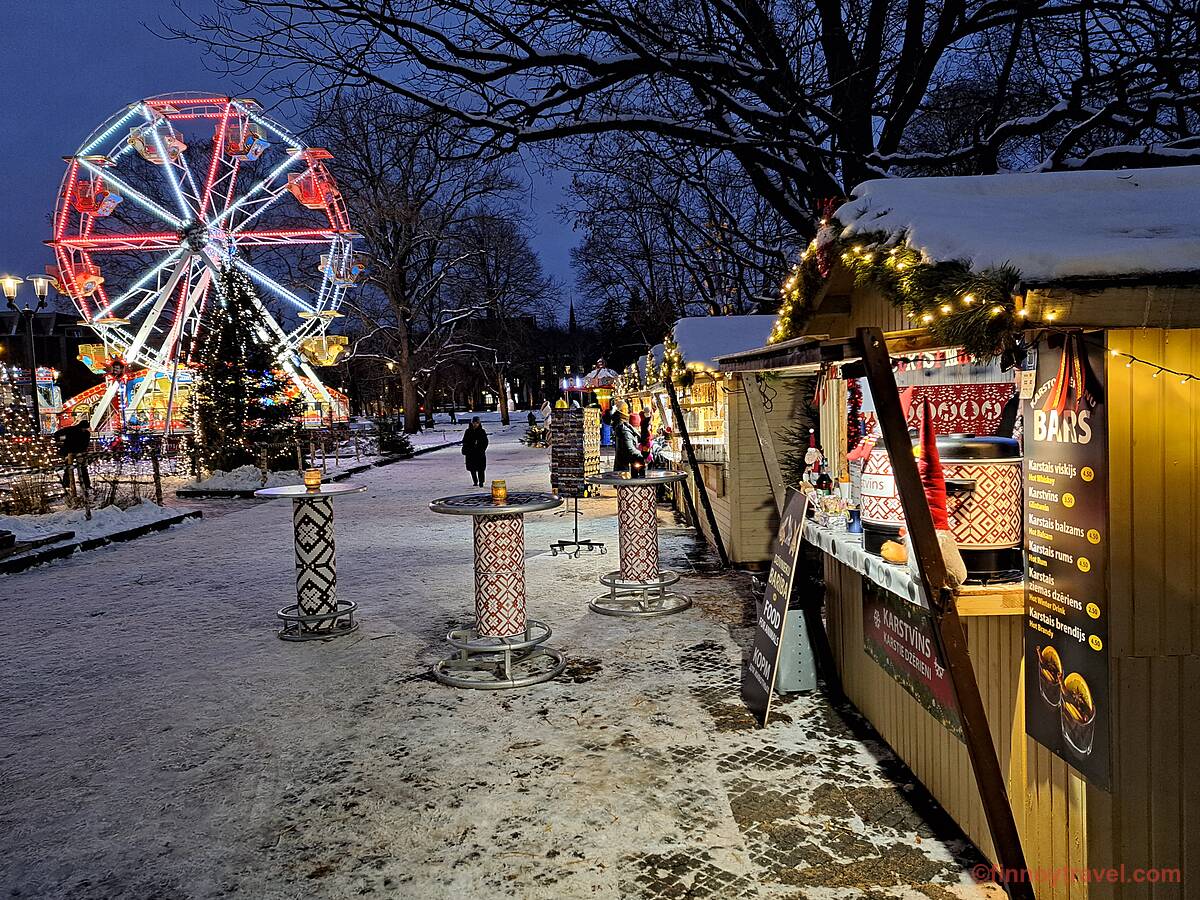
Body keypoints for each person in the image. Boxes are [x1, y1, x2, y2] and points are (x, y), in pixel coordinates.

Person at [53, 419, 92, 492]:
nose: (84, 430)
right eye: (84, 428)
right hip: (69, 452)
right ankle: (67, 484)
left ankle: (86, 484)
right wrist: (63, 439)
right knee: (68, 469)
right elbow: (56, 434)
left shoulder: (86, 433)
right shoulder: (71, 430)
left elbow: (86, 444)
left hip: (77, 452)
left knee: (82, 468)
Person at [612, 408, 644, 474]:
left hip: (626, 465)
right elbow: (630, 450)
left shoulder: (630, 432)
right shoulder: (626, 433)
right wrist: (643, 454)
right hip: (623, 467)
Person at [462, 416, 489, 487]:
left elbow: (485, 442)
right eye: (474, 423)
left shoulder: (482, 431)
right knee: (472, 468)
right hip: (470, 453)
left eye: (476, 423)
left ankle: (481, 482)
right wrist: (467, 448)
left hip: (479, 453)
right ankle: (475, 481)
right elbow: (465, 441)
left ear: (479, 423)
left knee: (481, 469)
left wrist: (482, 449)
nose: (475, 424)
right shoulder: (468, 431)